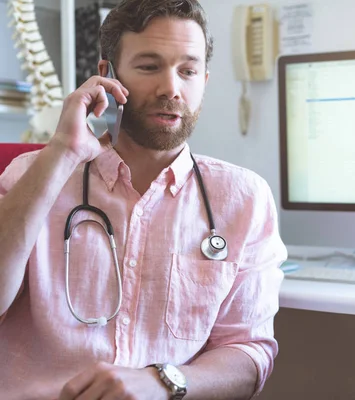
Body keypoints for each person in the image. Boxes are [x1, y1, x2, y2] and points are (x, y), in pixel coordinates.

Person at [0, 1, 287, 399]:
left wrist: (165, 382)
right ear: (107, 77)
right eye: (150, 67)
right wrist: (63, 151)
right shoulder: (31, 176)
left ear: (204, 79)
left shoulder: (244, 199)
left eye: (187, 71)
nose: (171, 88)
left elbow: (249, 351)